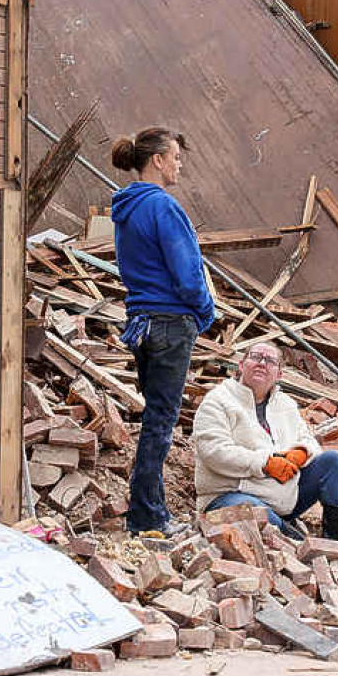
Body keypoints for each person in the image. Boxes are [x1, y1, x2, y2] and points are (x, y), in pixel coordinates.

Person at [111, 127, 215, 538]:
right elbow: (187, 272)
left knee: (155, 418)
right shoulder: (162, 206)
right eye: (174, 157)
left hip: (142, 321)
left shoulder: (126, 207)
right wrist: (204, 313)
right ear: (157, 159)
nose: (179, 164)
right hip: (171, 321)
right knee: (161, 421)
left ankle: (147, 511)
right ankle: (147, 517)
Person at [191, 342, 338, 542]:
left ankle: (337, 544)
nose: (262, 363)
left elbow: (308, 440)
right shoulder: (218, 401)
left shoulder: (285, 404)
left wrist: (301, 452)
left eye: (270, 361)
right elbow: (213, 451)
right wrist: (265, 463)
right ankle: (296, 542)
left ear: (279, 375)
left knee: (332, 462)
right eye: (255, 357)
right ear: (241, 365)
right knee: (255, 511)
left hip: (283, 498)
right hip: (229, 495)